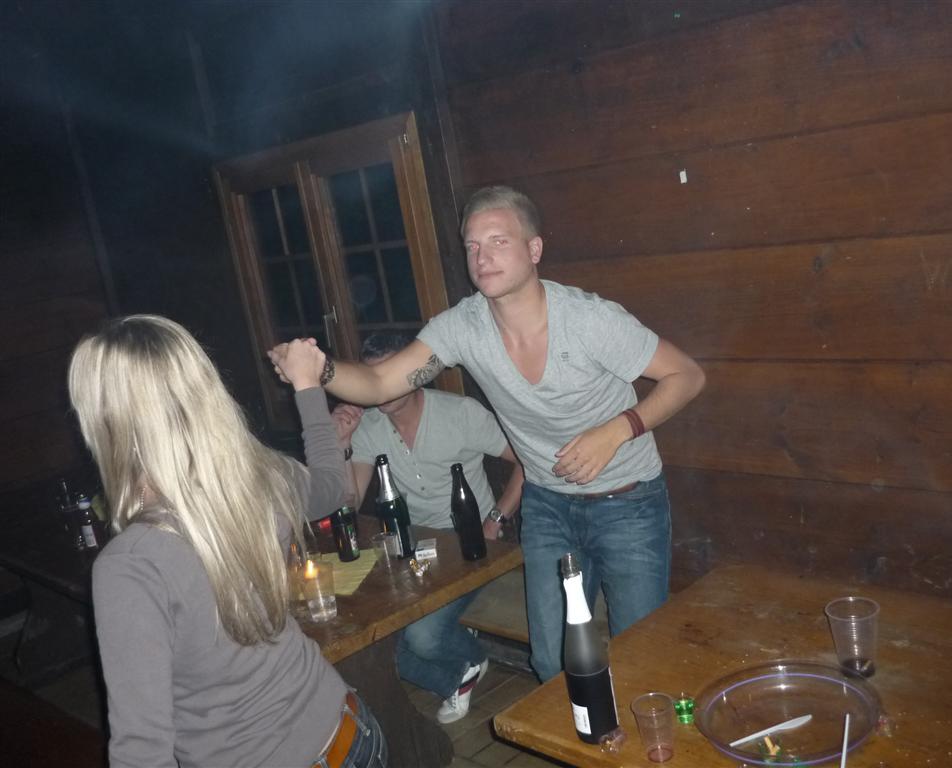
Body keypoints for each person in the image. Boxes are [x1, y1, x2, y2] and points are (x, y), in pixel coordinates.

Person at [271, 186, 705, 682]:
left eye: (499, 241)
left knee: (641, 655)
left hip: (628, 503)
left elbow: (687, 376)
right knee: (552, 661)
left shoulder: (590, 320)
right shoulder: (463, 326)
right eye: (473, 246)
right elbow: (379, 382)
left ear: (534, 249)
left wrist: (615, 431)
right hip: (549, 507)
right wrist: (318, 368)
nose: (482, 257)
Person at [69, 315, 387, 768]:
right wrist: (306, 385)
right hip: (353, 734)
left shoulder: (130, 565)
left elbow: (142, 754)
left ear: (103, 422)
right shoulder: (264, 475)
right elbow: (332, 488)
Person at [331, 331, 524, 723]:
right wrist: (341, 444)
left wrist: (496, 519)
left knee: (421, 637)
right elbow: (349, 502)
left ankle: (463, 660)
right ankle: (460, 670)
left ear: (413, 373)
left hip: (473, 546)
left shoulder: (461, 413)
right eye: (373, 377)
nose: (381, 386)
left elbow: (527, 461)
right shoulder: (369, 426)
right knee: (367, 637)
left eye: (389, 373)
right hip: (415, 552)